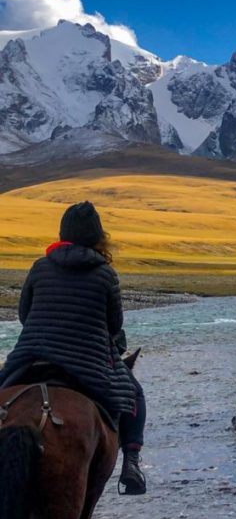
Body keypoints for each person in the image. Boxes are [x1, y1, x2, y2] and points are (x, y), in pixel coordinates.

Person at [0, 201, 147, 495]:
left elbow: (24, 314)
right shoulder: (105, 274)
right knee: (134, 395)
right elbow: (114, 324)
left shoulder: (40, 267)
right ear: (97, 237)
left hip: (31, 355)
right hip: (87, 362)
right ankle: (131, 464)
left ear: (63, 233)